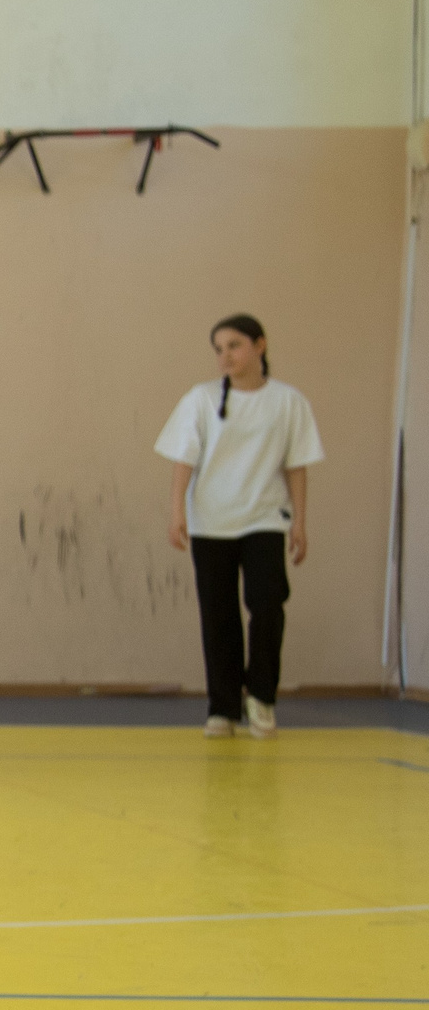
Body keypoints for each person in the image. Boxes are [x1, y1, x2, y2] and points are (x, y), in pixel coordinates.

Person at [156, 314, 324, 740]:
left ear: (259, 346)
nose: (225, 356)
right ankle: (223, 707)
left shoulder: (288, 402)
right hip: (211, 523)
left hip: (264, 520)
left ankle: (262, 698)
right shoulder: (201, 399)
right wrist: (176, 512)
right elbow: (183, 460)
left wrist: (300, 522)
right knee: (218, 615)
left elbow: (297, 465)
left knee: (267, 604)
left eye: (234, 345)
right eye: (218, 349)